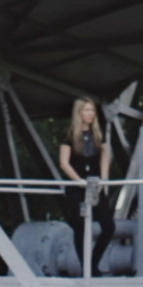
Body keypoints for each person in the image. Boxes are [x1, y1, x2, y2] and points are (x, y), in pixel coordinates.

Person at [58, 98, 116, 276]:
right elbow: (64, 163)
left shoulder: (99, 135)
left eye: (92, 111)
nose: (91, 114)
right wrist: (78, 181)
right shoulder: (69, 136)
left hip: (95, 185)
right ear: (79, 113)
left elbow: (105, 156)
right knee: (80, 226)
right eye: (87, 110)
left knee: (108, 226)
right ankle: (87, 269)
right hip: (77, 186)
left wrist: (104, 179)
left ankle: (93, 263)